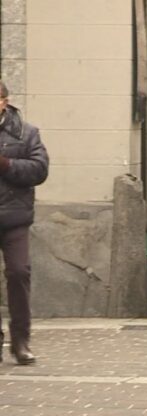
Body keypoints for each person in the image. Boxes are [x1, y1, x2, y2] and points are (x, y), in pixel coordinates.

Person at [0, 80, 49, 365]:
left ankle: (21, 340)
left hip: (15, 217)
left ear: (5, 102)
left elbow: (40, 169)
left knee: (19, 273)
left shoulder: (26, 133)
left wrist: (7, 165)